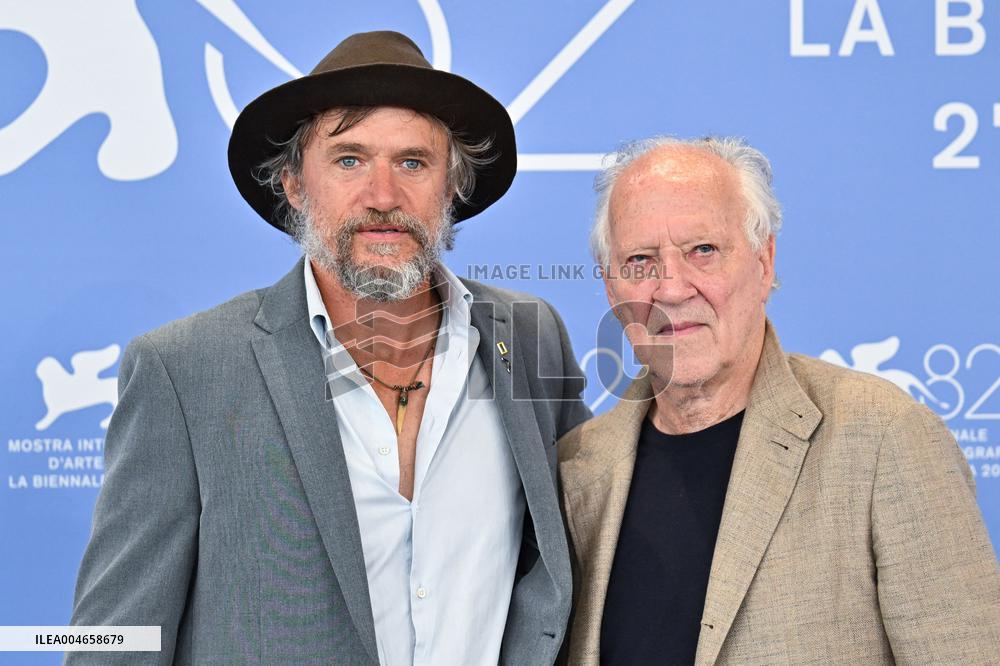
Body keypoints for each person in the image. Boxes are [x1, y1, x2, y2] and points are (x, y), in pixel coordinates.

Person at [69, 31, 589, 665]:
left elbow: (582, 542)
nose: (383, 196)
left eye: (413, 162)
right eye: (349, 160)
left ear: (452, 186)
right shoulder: (183, 370)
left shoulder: (527, 336)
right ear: (294, 184)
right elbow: (114, 638)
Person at [558, 136, 1000, 664]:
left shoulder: (884, 438)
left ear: (764, 262)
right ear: (612, 287)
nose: (671, 288)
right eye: (640, 260)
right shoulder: (577, 468)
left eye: (703, 251)